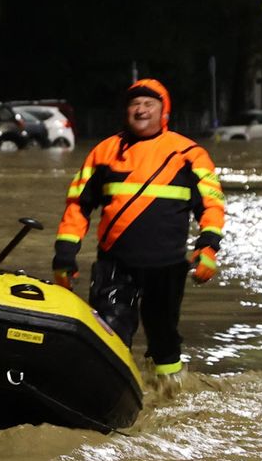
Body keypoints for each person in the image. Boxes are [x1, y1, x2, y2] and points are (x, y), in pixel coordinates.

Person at [52, 78, 225, 394]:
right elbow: (77, 205)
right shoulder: (104, 152)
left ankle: (169, 395)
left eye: (148, 104)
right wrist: (65, 255)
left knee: (164, 339)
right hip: (115, 264)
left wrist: (208, 248)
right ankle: (108, 395)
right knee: (109, 332)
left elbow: (212, 205)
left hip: (167, 266)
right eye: (134, 104)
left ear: (164, 111)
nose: (141, 109)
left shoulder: (189, 154)